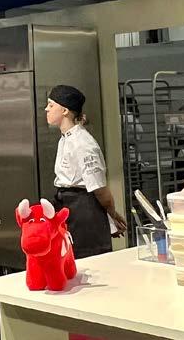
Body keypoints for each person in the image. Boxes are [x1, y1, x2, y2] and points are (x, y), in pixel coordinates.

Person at [45, 84, 126, 259]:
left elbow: (100, 189)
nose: (46, 109)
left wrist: (111, 216)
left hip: (83, 209)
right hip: (66, 204)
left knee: (88, 261)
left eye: (51, 105)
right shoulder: (64, 139)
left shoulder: (83, 143)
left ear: (65, 110)